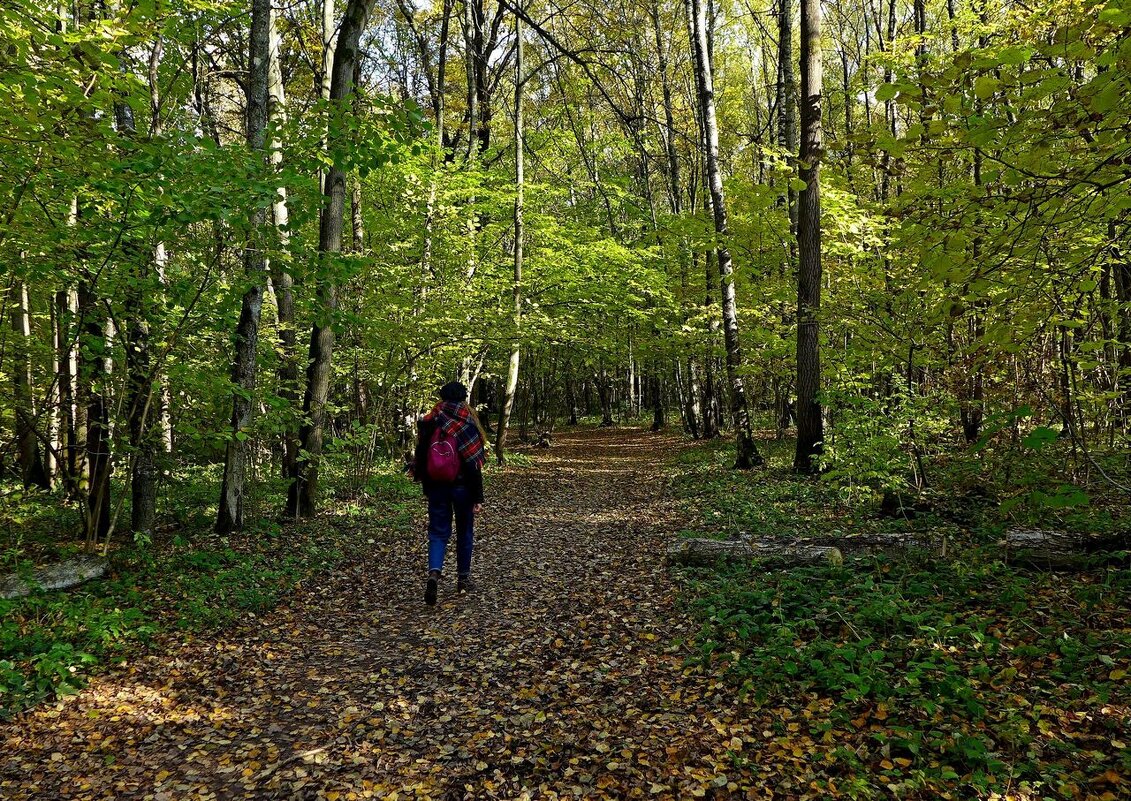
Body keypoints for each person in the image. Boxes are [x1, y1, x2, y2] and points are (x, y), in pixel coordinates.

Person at [411, 381, 488, 605]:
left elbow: (422, 457)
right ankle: (463, 580)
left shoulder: (430, 421)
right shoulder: (467, 422)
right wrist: (478, 497)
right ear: (463, 397)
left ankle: (434, 574)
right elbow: (473, 463)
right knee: (465, 532)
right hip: (463, 487)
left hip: (436, 486)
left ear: (442, 397)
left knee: (437, 532)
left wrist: (426, 486)